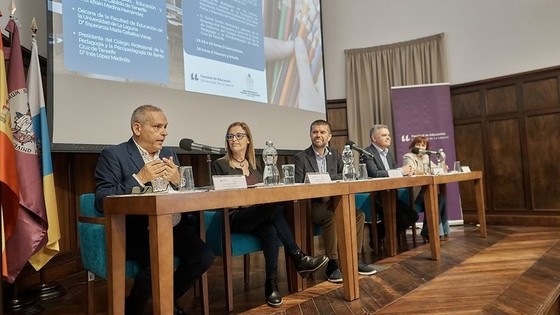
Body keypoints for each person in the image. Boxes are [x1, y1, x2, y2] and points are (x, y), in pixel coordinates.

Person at [94, 105, 215, 315]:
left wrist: (179, 181)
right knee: (159, 261)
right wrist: (139, 178)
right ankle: (135, 308)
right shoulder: (114, 155)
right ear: (137, 128)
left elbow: (184, 193)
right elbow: (101, 199)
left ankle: (166, 299)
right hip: (138, 231)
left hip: (175, 227)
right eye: (158, 126)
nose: (165, 132)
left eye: (166, 127)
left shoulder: (168, 153)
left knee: (204, 256)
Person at [211, 121, 328, 308]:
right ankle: (298, 257)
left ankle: (271, 284)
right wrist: (251, 201)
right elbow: (225, 200)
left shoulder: (254, 165)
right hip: (235, 217)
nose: (234, 140)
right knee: (273, 209)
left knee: (270, 229)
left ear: (248, 140)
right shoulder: (221, 165)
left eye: (239, 135)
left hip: (258, 215)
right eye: (230, 136)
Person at [293, 119, 378, 283]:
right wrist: (328, 180)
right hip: (312, 204)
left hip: (332, 200)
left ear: (329, 136)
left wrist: (323, 178)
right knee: (330, 217)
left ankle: (356, 258)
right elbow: (298, 183)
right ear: (310, 134)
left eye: (322, 132)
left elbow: (345, 175)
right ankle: (332, 263)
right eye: (315, 132)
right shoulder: (300, 157)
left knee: (359, 215)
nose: (318, 135)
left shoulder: (336, 154)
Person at [361, 124, 419, 237]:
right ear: (374, 138)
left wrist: (407, 172)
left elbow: (395, 169)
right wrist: (401, 171)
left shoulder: (388, 153)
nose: (388, 137)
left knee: (413, 216)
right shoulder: (367, 153)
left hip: (391, 195)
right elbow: (375, 174)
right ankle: (382, 237)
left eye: (388, 135)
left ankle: (381, 234)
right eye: (384, 135)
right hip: (377, 197)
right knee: (401, 218)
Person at [402, 136, 450, 242]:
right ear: (413, 145)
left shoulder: (426, 157)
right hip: (415, 192)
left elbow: (435, 169)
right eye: (418, 144)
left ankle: (432, 231)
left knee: (440, 198)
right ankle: (431, 232)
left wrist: (442, 164)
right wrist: (427, 171)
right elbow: (411, 170)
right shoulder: (408, 156)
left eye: (423, 145)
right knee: (435, 200)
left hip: (425, 192)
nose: (420, 147)